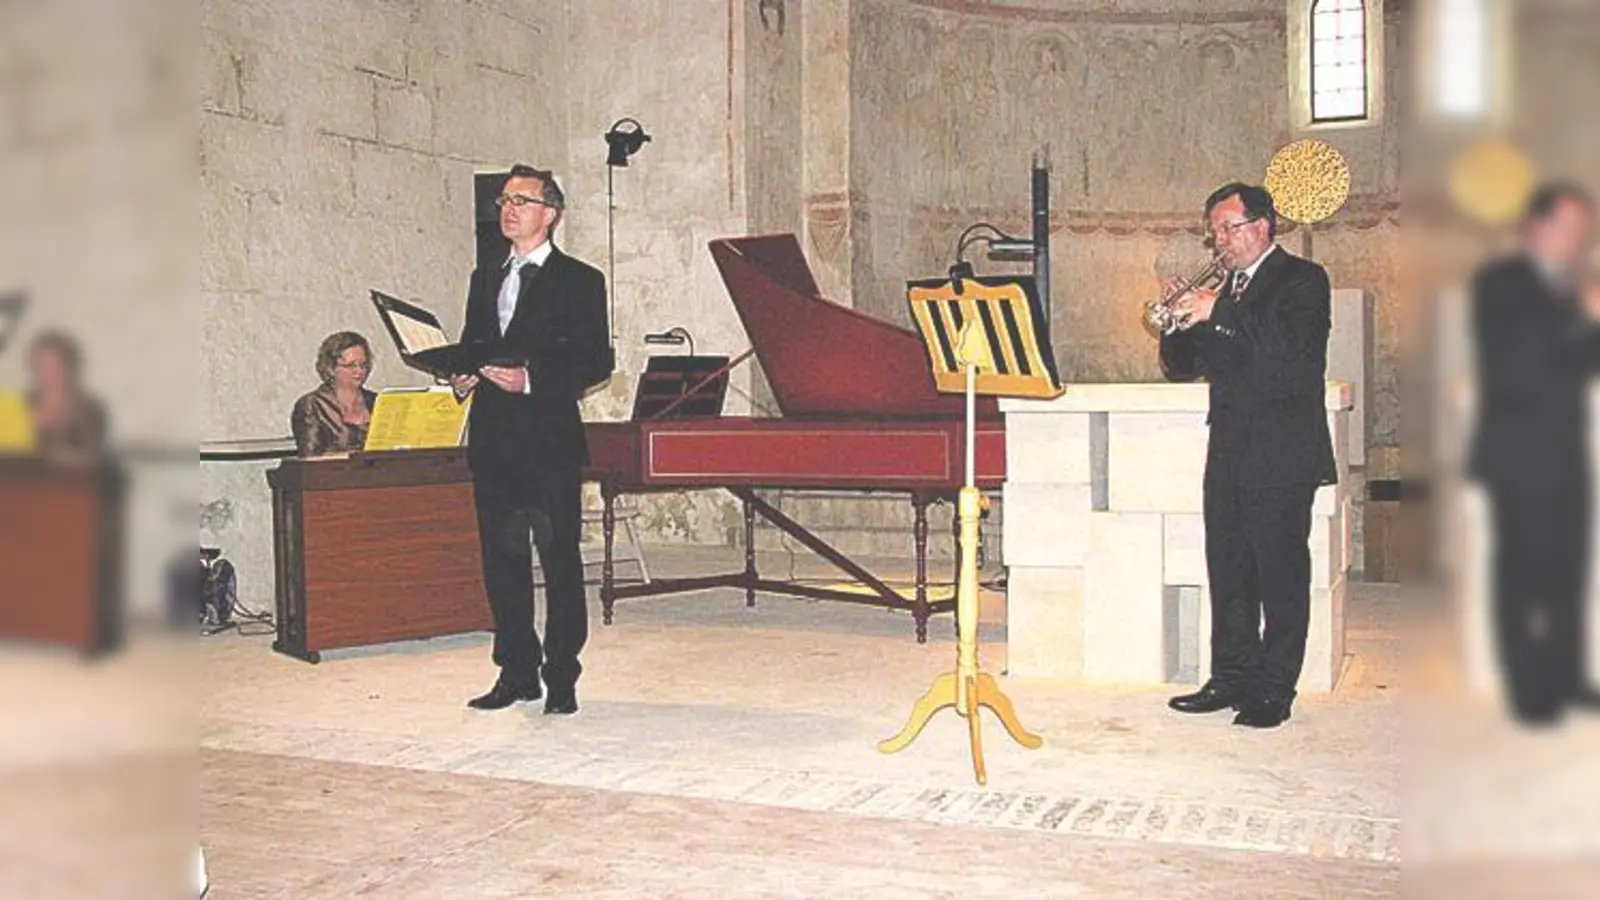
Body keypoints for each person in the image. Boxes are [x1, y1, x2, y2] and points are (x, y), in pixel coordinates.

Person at [1157, 182, 1337, 729]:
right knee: (1229, 570)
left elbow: (1294, 358)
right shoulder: (1225, 290)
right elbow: (1183, 367)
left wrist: (1218, 310)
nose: (1218, 242)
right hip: (1230, 450)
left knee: (1279, 575)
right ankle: (1230, 676)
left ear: (1262, 225)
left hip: (1283, 452)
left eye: (1227, 229)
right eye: (1213, 231)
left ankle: (1274, 688)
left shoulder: (1302, 280)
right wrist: (1175, 323)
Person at [452, 164, 611, 715]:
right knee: (503, 562)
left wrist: (532, 379)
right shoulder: (484, 277)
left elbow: (596, 360)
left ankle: (562, 674)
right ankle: (516, 671)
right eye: (503, 200)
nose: (508, 210)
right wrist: (462, 371)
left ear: (551, 213)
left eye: (521, 200)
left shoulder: (581, 280)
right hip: (494, 443)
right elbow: (476, 343)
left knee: (559, 560)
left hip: (548, 443)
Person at [1466, 181, 1600, 726]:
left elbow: (1583, 365)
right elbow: (1522, 363)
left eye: (1583, 230)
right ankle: (1528, 691)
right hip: (1517, 456)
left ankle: (1566, 678)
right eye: (1570, 227)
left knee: (1568, 571)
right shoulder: (1501, 282)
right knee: (1521, 575)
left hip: (1566, 451)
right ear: (1538, 227)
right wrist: (1585, 317)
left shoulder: (1570, 288)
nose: (1579, 239)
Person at [26, 330, 108, 464]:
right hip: (23, 481)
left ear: (69, 367)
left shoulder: (90, 409)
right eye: (40, 365)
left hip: (71, 482)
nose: (45, 373)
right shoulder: (22, 404)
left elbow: (92, 458)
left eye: (53, 365)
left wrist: (48, 451)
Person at [291, 331, 377, 458]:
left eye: (363, 365)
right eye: (351, 365)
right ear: (331, 368)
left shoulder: (377, 401)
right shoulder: (312, 405)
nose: (359, 371)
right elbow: (310, 458)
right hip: (333, 475)